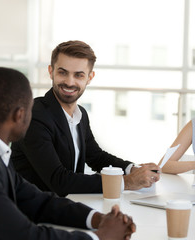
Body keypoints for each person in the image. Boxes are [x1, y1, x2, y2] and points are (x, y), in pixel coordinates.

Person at [0, 67, 136, 240]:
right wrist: (100, 238)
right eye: (30, 110)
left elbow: (36, 201)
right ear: (20, 114)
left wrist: (98, 219)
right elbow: (24, 236)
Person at [10, 40, 160, 197]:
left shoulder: (80, 114)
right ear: (51, 71)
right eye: (63, 72)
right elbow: (59, 181)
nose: (69, 82)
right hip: (33, 212)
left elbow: (96, 157)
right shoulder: (35, 116)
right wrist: (127, 182)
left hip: (65, 204)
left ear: (90, 77)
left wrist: (133, 169)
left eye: (78, 75)